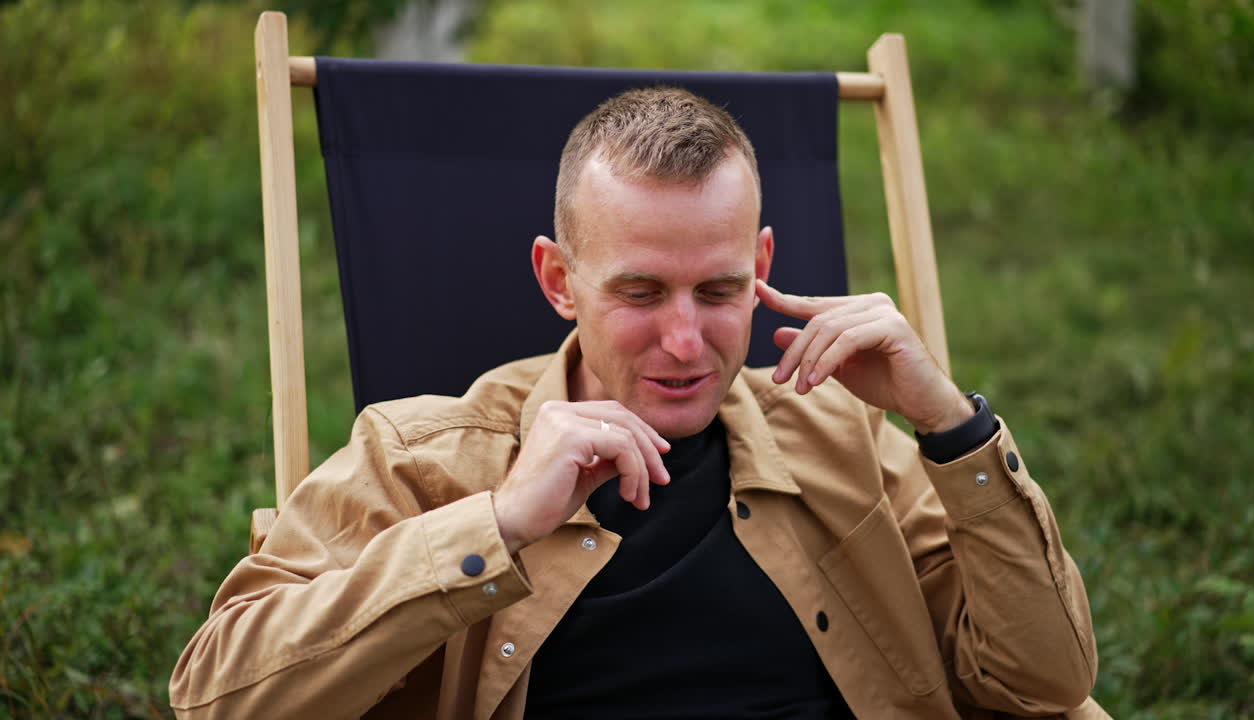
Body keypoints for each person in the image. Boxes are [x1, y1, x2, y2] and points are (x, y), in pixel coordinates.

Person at [171, 87, 1106, 719]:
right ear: (559, 280)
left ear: (762, 265)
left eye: (719, 290)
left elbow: (1045, 684)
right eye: (641, 293)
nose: (687, 342)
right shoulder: (426, 457)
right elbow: (216, 695)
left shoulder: (841, 435)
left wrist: (952, 426)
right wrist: (500, 524)